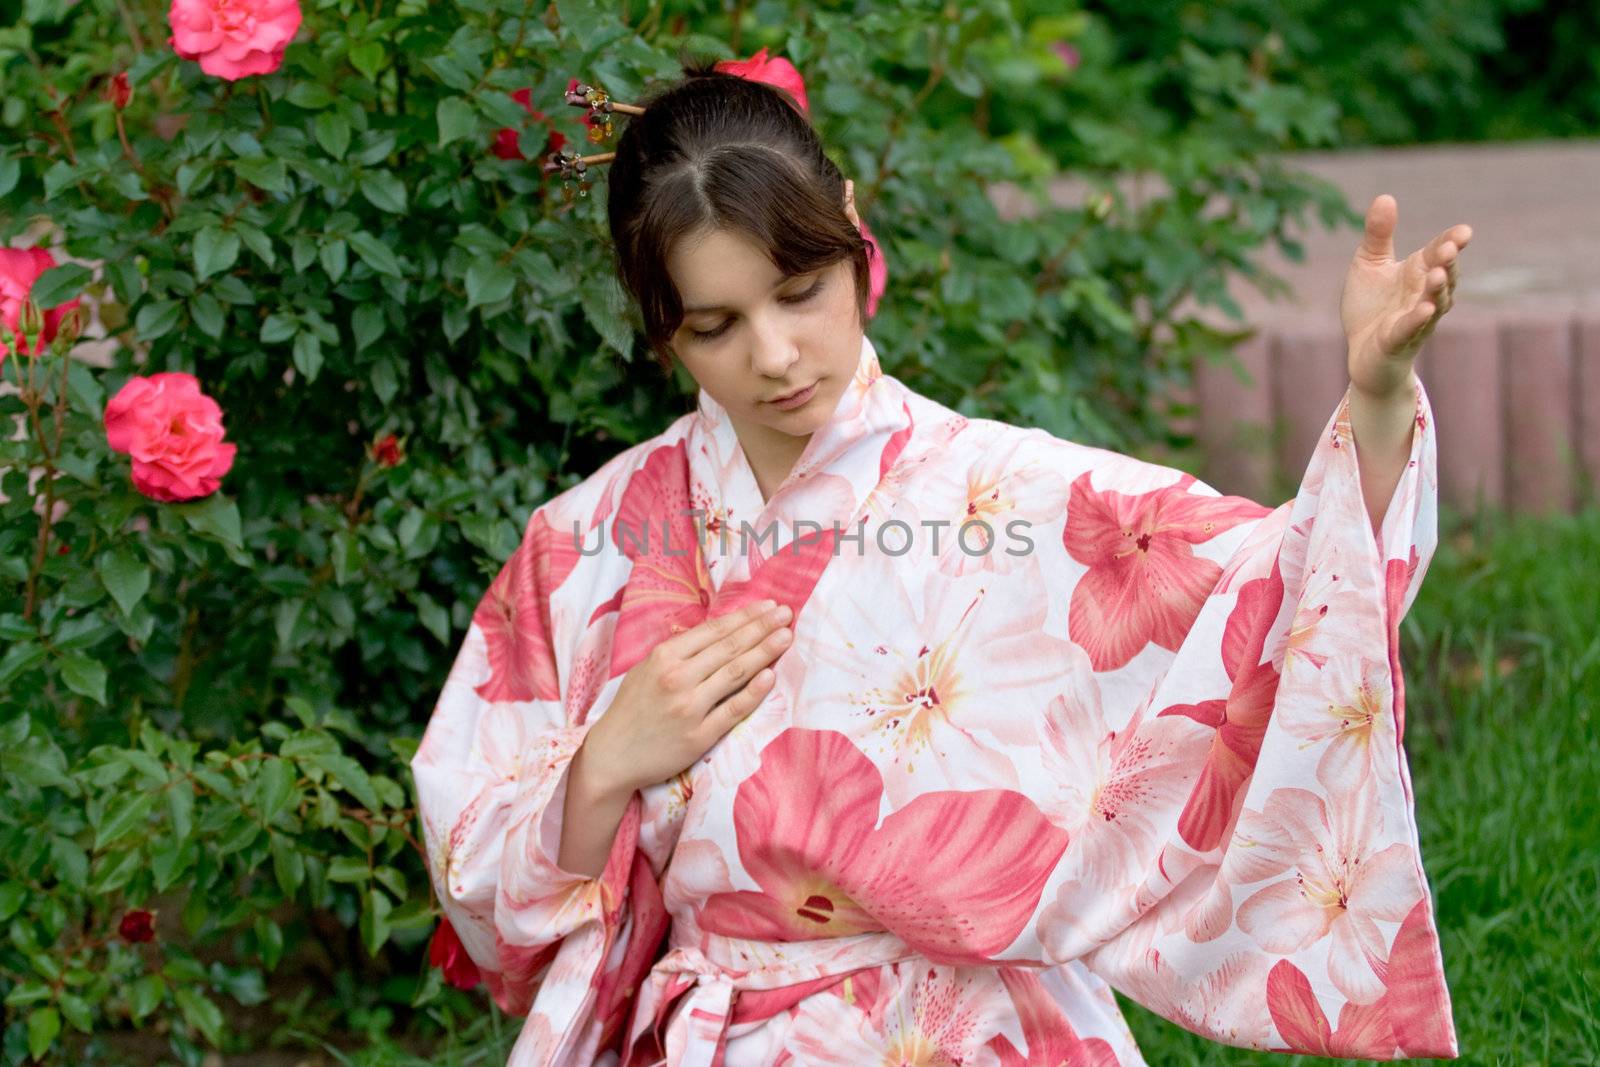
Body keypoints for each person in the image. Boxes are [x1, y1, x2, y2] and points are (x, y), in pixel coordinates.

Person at [412, 57, 1467, 1066]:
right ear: (660, 332)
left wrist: (1372, 397)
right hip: (712, 1028)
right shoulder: (585, 542)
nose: (774, 354)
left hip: (969, 1021)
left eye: (798, 290)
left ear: (853, 230)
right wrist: (605, 761)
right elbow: (477, 864)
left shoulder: (997, 490)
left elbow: (1287, 588)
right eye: (716, 324)